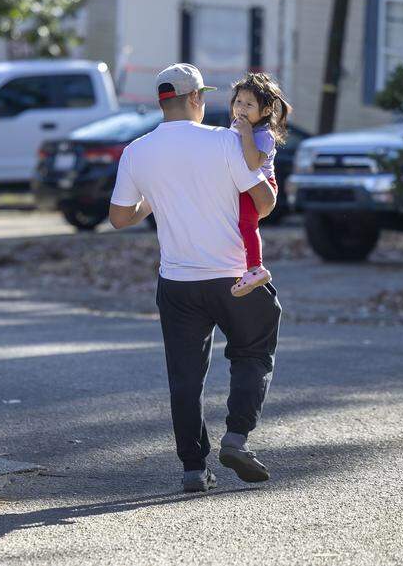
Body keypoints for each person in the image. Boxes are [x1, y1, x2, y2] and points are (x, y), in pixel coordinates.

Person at [108, 63, 282, 493]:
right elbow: (262, 203)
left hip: (177, 281)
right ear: (195, 98)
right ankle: (236, 438)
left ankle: (193, 468)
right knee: (252, 352)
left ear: (161, 101)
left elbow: (119, 218)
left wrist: (155, 197)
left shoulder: (137, 151)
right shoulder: (225, 141)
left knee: (185, 376)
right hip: (235, 276)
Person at [228, 72, 294, 297]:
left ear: (265, 111)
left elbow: (253, 164)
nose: (241, 108)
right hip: (242, 184)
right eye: (238, 101)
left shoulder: (265, 135)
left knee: (247, 224)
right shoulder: (237, 127)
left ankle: (256, 268)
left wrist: (246, 134)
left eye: (249, 104)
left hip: (261, 186)